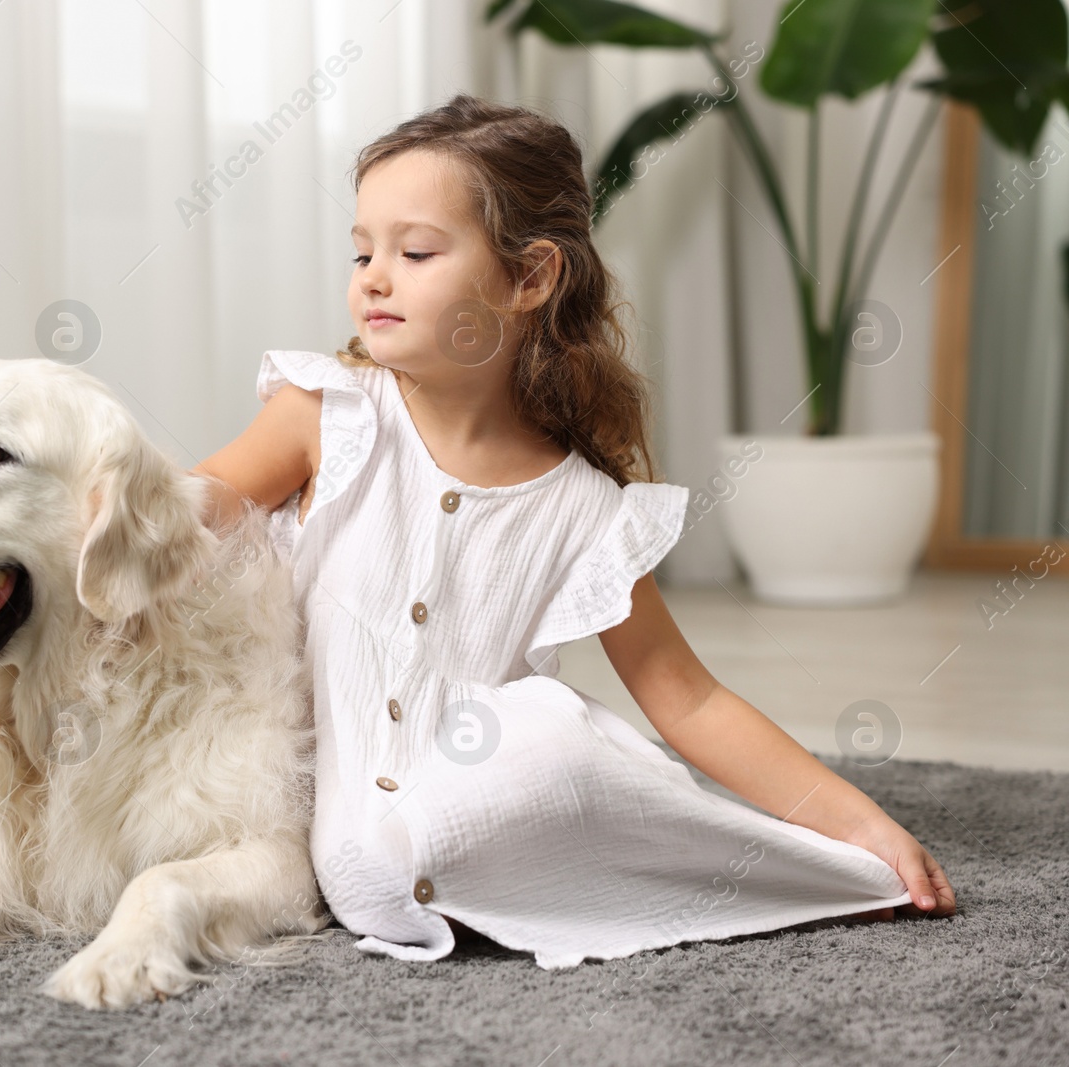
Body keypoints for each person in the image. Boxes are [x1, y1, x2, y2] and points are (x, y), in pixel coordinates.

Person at [189, 94, 956, 968]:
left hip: (477, 822)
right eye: (362, 250)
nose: (372, 276)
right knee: (559, 729)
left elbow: (688, 698)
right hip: (342, 846)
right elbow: (204, 499)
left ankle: (800, 871)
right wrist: (112, 496)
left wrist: (864, 826)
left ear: (530, 278)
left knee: (561, 740)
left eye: (417, 251)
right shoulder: (328, 411)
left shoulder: (586, 507)